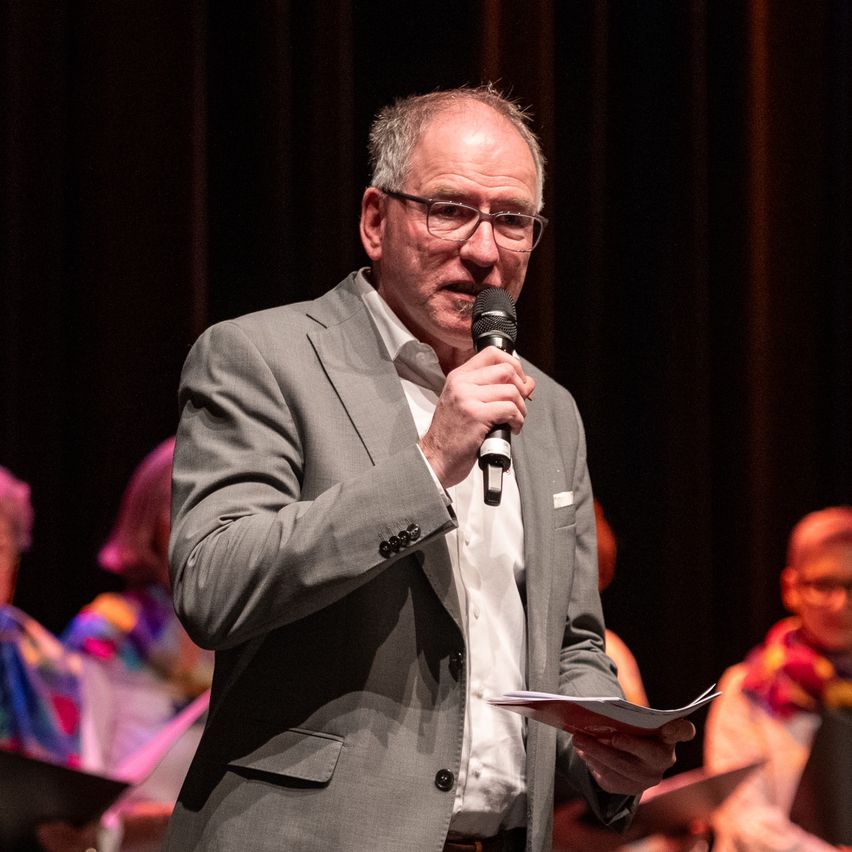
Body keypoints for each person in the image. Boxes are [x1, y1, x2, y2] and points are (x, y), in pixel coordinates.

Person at [165, 85, 694, 852]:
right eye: (450, 209)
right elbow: (212, 585)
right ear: (375, 220)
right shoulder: (261, 358)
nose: (484, 251)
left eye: (512, 220)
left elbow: (572, 642)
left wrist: (605, 752)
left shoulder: (549, 409)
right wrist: (429, 464)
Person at [35, 438, 212, 852]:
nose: (203, 526)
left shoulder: (247, 640)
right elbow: (72, 804)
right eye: (184, 505)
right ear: (149, 522)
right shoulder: (107, 633)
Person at [704, 506, 852, 851]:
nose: (840, 604)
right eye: (823, 585)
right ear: (791, 588)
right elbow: (742, 814)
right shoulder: (750, 688)